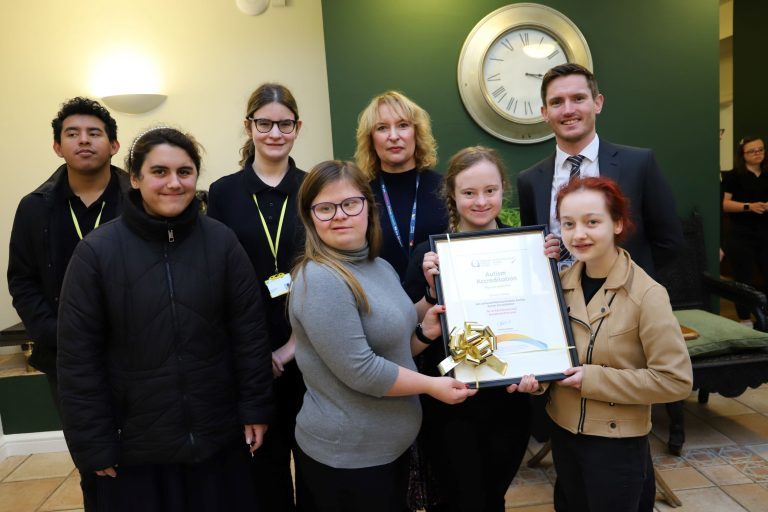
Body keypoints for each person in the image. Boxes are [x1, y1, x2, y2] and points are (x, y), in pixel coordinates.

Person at [56, 127, 274, 512]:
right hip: (136, 451)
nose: (174, 183)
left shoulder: (222, 243)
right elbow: (78, 360)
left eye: (185, 172)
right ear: (135, 179)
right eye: (159, 172)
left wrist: (255, 407)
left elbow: (249, 334)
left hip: (217, 441)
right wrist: (93, 443)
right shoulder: (96, 253)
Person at [288, 160, 476, 511]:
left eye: (349, 203)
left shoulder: (377, 265)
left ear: (367, 207)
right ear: (310, 216)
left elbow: (392, 343)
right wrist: (432, 386)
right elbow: (362, 369)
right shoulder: (321, 280)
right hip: (348, 459)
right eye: (325, 208)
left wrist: (426, 323)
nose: (339, 215)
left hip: (386, 452)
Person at [511, 177, 692, 512]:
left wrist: (590, 379)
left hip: (617, 445)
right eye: (568, 224)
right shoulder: (559, 283)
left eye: (592, 222)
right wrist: (535, 382)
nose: (579, 234)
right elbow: (552, 358)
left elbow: (675, 380)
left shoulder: (648, 295)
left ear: (618, 223)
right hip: (563, 434)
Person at [7, 96, 129, 511]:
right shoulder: (35, 207)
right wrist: (57, 335)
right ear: (57, 147)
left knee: (143, 455)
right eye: (72, 134)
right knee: (94, 461)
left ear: (114, 145)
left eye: (95, 133)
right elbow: (21, 280)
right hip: (66, 358)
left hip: (136, 353)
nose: (83, 141)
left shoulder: (139, 200)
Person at [403, 146, 531, 512]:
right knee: (460, 499)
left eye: (490, 190)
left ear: (502, 190)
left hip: (509, 398)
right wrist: (431, 292)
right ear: (452, 195)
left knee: (494, 496)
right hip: (451, 403)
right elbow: (407, 330)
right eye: (469, 192)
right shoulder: (428, 255)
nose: (480, 201)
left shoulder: (526, 248)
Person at [207, 83, 306, 511]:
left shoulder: (313, 185)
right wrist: (255, 352)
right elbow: (216, 274)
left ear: (297, 127)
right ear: (249, 127)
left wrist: (290, 349)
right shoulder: (224, 192)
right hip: (249, 348)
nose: (274, 133)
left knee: (315, 460)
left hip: (311, 340)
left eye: (284, 124)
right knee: (263, 471)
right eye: (264, 123)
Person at [516, 63, 682, 276]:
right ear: (545, 112)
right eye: (557, 102)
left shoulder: (639, 164)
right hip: (561, 301)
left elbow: (670, 243)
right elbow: (534, 250)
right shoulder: (530, 181)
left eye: (578, 98)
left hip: (625, 299)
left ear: (597, 103)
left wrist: (629, 281)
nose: (568, 110)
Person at [355, 91, 448, 282]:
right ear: (371, 138)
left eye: (403, 125)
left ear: (417, 132)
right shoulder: (359, 196)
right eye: (382, 128)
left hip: (439, 300)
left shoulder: (446, 188)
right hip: (382, 304)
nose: (394, 136)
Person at [721, 136, 768, 324]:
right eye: (752, 151)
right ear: (743, 155)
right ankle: (744, 319)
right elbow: (725, 204)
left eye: (761, 149)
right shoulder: (733, 176)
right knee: (743, 278)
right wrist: (749, 206)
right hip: (741, 233)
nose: (758, 153)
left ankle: (764, 319)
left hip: (765, 233)